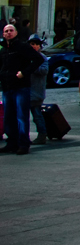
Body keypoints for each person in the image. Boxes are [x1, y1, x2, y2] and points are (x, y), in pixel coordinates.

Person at [1, 23, 44, 154]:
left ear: (16, 33)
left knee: (21, 116)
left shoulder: (23, 47)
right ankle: (12, 142)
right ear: (3, 34)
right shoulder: (3, 50)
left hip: (21, 87)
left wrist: (24, 73)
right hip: (7, 87)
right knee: (9, 116)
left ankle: (23, 144)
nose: (9, 33)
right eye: (6, 31)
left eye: (11, 30)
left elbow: (38, 59)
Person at [27, 35, 49, 145]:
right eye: (31, 44)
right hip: (26, 91)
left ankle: (42, 134)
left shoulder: (42, 58)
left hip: (36, 92)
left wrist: (32, 66)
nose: (34, 46)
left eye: (36, 44)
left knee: (37, 115)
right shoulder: (26, 57)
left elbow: (44, 70)